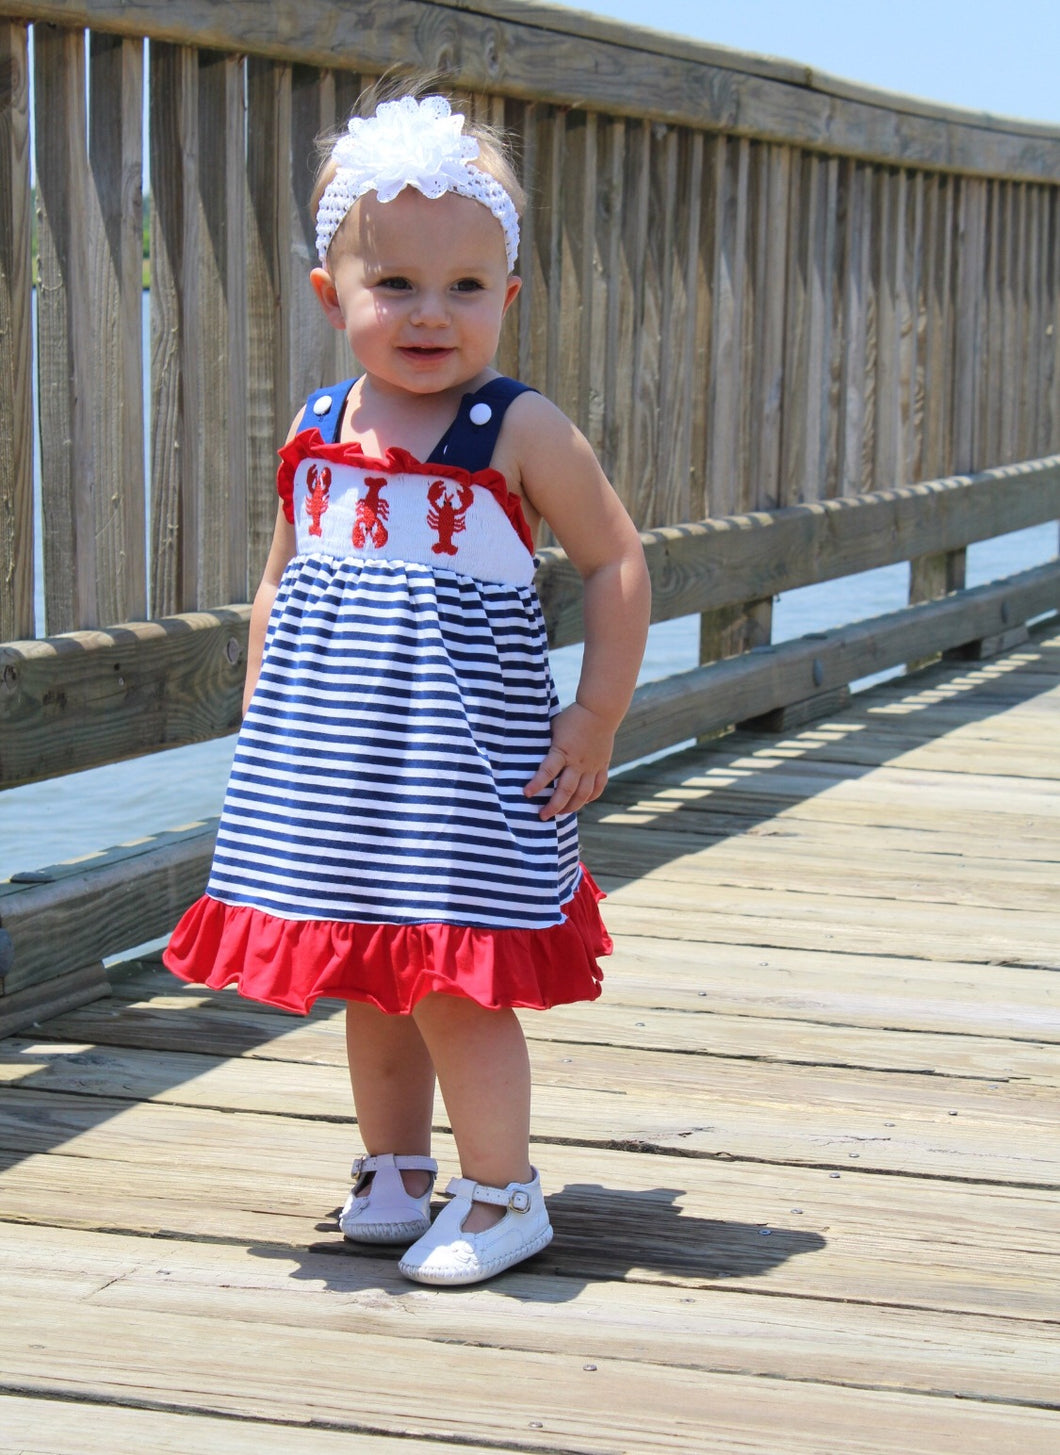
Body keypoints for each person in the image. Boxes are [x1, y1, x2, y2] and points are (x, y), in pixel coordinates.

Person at [164, 85, 651, 1285]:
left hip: (459, 770)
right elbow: (286, 577)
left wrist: (594, 714)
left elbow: (616, 560)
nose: (431, 314)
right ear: (334, 297)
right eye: (395, 286)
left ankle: (504, 1194)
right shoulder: (321, 424)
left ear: (508, 297)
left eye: (466, 288)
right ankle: (396, 1168)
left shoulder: (514, 427)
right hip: (335, 764)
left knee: (455, 975)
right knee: (370, 977)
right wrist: (262, 695)